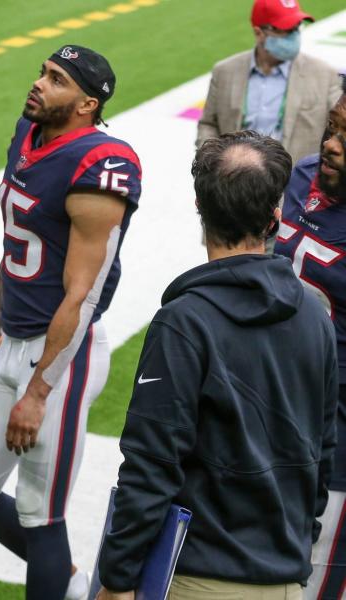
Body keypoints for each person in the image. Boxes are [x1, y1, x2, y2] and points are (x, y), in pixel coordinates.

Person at [96, 131, 338, 600]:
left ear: (199, 207)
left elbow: (152, 463)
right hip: (285, 580)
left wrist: (117, 578)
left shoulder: (184, 322)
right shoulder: (316, 317)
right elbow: (322, 457)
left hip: (197, 578)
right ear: (276, 216)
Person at [0, 45, 142, 600]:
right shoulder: (28, 134)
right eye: (42, 71)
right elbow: (14, 249)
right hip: (13, 336)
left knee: (41, 512)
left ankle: (58, 582)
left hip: (62, 354)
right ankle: (71, 585)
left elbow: (82, 295)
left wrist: (38, 391)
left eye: (55, 79)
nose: (39, 83)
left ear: (86, 104)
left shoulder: (101, 164)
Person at [275, 76, 346, 600]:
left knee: (316, 575)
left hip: (337, 431)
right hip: (271, 406)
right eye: (331, 129)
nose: (331, 145)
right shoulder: (300, 176)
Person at [196, 0, 340, 166]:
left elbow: (338, 128)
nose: (294, 36)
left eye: (297, 27)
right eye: (285, 30)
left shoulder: (324, 75)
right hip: (233, 180)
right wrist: (213, 163)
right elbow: (208, 123)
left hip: (294, 184)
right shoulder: (224, 72)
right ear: (259, 33)